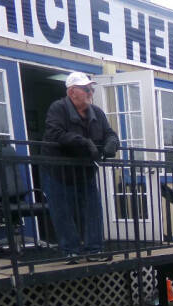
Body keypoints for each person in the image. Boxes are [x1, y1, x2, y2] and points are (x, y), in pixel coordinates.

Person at [42, 72, 119, 263]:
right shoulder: (57, 108)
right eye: (86, 89)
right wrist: (84, 143)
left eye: (91, 89)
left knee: (93, 209)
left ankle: (94, 250)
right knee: (63, 212)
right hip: (58, 171)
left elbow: (110, 133)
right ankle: (71, 251)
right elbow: (55, 134)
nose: (90, 92)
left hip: (85, 171)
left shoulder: (97, 112)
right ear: (72, 92)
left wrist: (111, 143)